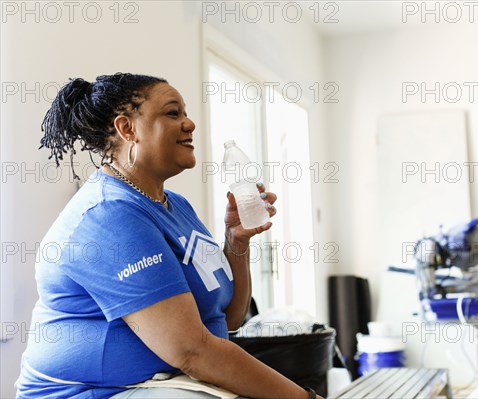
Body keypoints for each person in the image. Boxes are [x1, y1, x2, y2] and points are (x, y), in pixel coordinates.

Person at [16, 73, 323, 399]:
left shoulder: (175, 206)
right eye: (173, 113)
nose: (189, 123)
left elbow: (226, 319)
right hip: (92, 393)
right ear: (127, 128)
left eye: (186, 113)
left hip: (166, 382)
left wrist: (236, 240)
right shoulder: (109, 214)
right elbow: (193, 351)